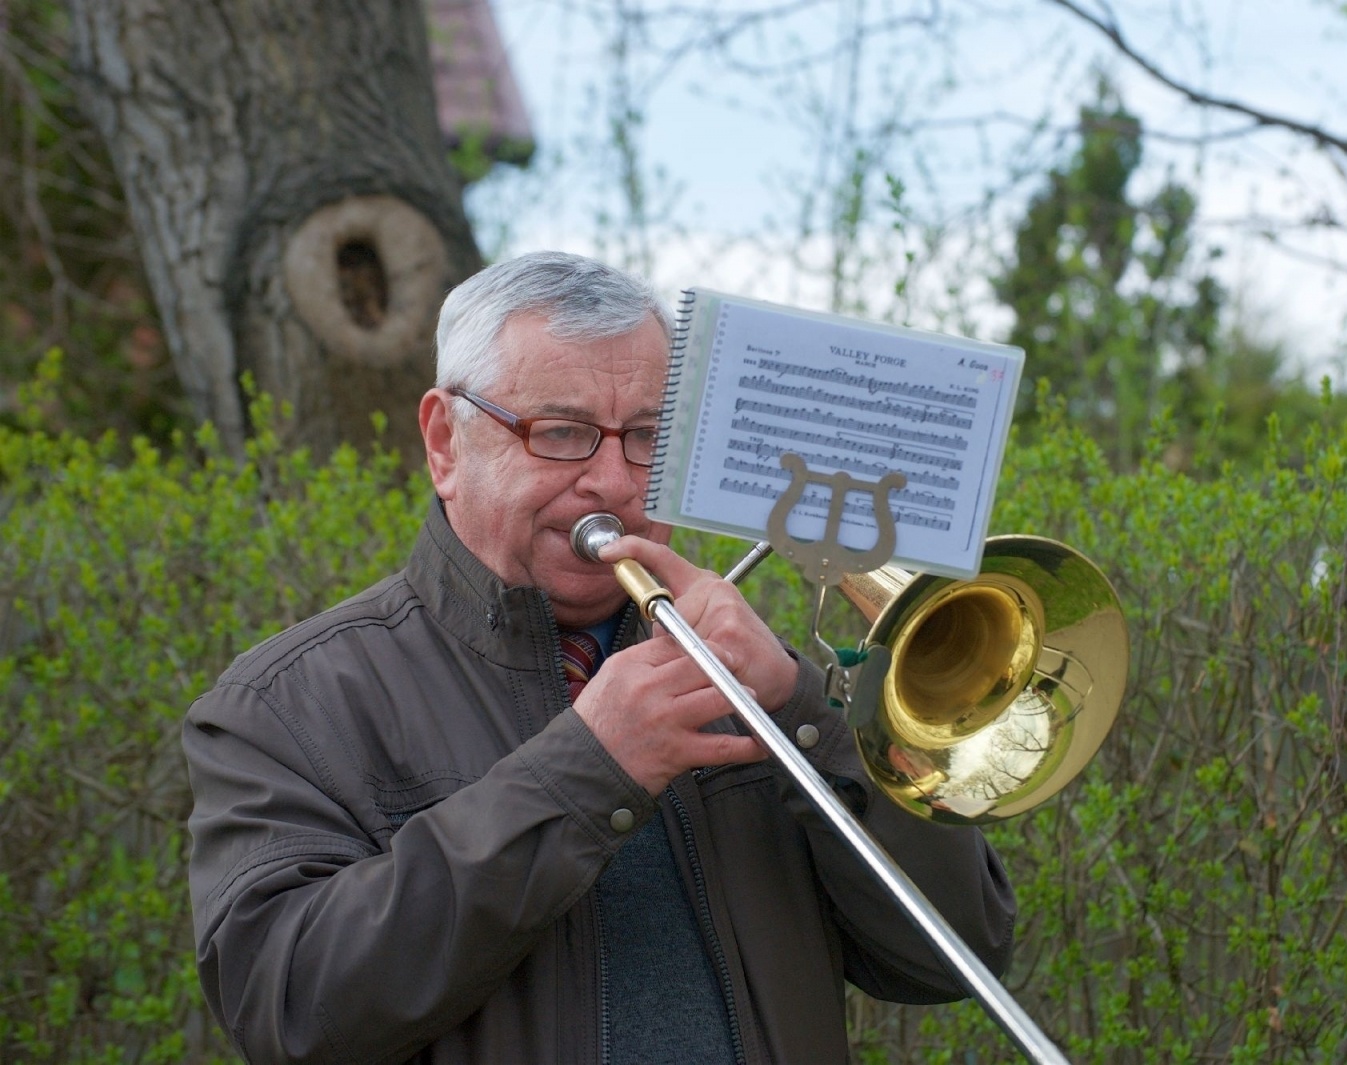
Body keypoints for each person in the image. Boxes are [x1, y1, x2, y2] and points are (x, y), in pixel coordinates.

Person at [184, 250, 1017, 1064]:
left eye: (648, 436)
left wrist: (806, 712)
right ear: (445, 442)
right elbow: (287, 1005)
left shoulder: (753, 678)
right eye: (562, 433)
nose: (615, 482)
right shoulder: (284, 704)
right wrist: (590, 766)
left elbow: (954, 956)